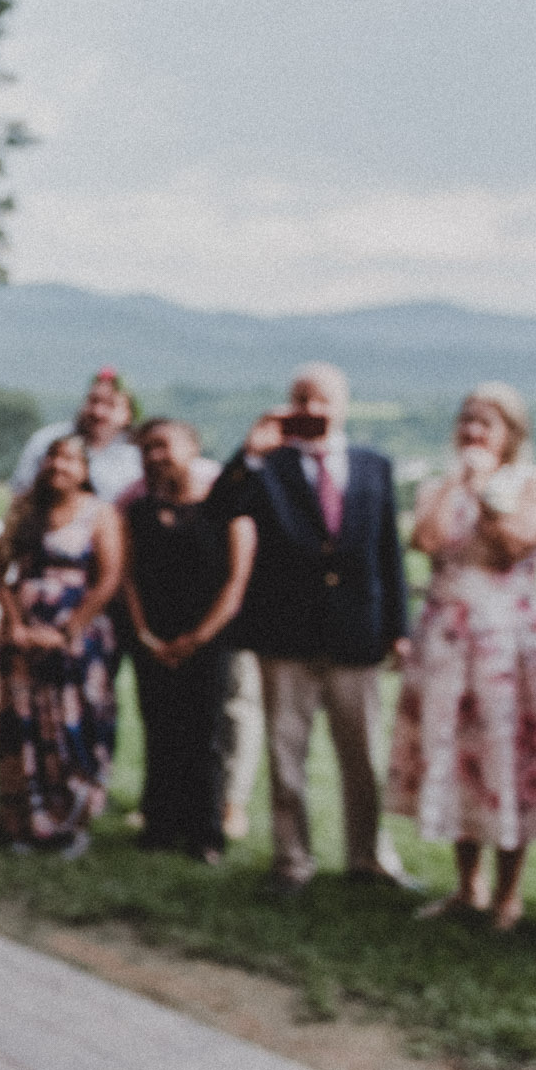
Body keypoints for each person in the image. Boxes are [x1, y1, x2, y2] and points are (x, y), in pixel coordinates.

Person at [387, 385, 536, 930]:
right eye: (467, 421)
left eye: (487, 424)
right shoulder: (439, 485)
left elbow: (514, 546)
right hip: (448, 636)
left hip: (511, 640)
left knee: (508, 757)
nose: (473, 432)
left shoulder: (533, 484)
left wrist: (483, 494)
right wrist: (455, 485)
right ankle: (466, 886)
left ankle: (508, 893)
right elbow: (426, 542)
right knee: (456, 757)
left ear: (510, 435)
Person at [214, 362, 413, 894]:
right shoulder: (270, 467)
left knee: (362, 756)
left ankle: (368, 858)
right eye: (301, 399)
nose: (313, 410)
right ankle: (292, 860)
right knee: (287, 752)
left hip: (356, 633)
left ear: (344, 404)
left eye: (323, 399)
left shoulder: (373, 466)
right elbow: (218, 512)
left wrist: (399, 626)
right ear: (286, 406)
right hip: (286, 634)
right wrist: (250, 453)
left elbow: (386, 551)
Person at [122, 420, 255, 863]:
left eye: (163, 445)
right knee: (159, 729)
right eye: (146, 449)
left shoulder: (226, 509)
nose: (154, 456)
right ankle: (159, 824)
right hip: (153, 640)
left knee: (207, 736)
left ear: (193, 448)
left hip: (210, 639)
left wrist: (196, 639)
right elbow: (129, 579)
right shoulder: (137, 511)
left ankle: (206, 834)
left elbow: (236, 583)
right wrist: (146, 635)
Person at [0, 433, 124, 854]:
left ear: (85, 470)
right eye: (52, 457)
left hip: (76, 636)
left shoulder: (100, 514)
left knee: (71, 726)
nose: (59, 466)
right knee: (24, 724)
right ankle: (25, 821)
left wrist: (67, 630)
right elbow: (1, 572)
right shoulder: (24, 509)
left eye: (70, 459)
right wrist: (15, 624)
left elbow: (107, 581)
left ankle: (71, 821)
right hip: (22, 636)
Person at [9, 367, 143, 502]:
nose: (98, 412)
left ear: (128, 414)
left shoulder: (137, 453)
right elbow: (21, 493)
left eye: (110, 404)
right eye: (93, 400)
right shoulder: (47, 440)